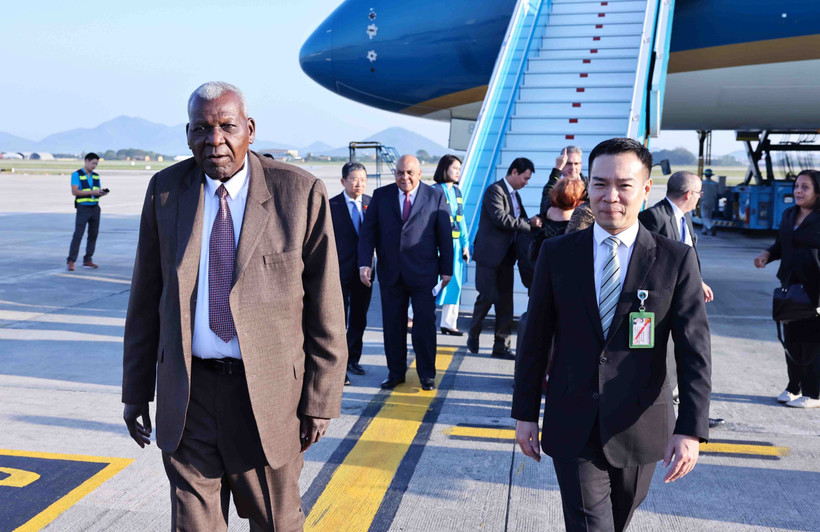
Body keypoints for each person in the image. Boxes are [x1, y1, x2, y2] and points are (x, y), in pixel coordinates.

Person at [122, 82, 347, 531]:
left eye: (227, 127)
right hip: (189, 395)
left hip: (266, 397)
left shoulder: (299, 194)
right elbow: (146, 299)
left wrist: (320, 400)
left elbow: (326, 307)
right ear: (187, 135)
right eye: (202, 129)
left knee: (276, 522)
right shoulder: (166, 192)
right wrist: (135, 390)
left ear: (250, 129)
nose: (215, 140)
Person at [514, 138, 711, 532]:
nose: (610, 196)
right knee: (591, 526)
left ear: (645, 189)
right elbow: (534, 338)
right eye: (600, 184)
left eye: (624, 184)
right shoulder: (558, 254)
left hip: (640, 424)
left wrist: (690, 427)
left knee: (617, 522)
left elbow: (694, 350)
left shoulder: (675, 259)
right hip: (572, 419)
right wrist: (524, 413)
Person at [358, 154, 454, 391]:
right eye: (400, 172)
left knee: (424, 326)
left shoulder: (435, 196)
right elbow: (368, 233)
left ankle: (427, 374)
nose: (405, 177)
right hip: (391, 274)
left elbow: (444, 235)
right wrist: (364, 263)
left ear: (420, 174)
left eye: (410, 172)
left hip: (423, 273)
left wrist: (447, 270)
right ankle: (395, 373)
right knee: (393, 327)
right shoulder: (382, 196)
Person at [639, 171, 723, 428]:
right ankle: (665, 414)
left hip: (684, 298)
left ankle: (690, 414)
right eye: (698, 194)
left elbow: (686, 256)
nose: (699, 199)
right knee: (664, 358)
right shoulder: (654, 216)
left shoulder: (684, 217)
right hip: (662, 301)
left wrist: (698, 281)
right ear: (689, 194)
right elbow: (647, 262)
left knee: (689, 354)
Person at [754, 169, 820, 409]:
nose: (798, 191)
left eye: (805, 187)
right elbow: (781, 244)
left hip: (815, 289)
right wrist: (768, 255)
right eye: (796, 186)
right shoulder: (789, 214)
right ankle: (794, 387)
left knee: (812, 342)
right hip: (790, 287)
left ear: (817, 191)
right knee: (791, 339)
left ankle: (814, 393)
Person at [468, 158, 543, 359]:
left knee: (505, 303)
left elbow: (521, 222)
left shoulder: (515, 195)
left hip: (507, 258)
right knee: (487, 297)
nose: (526, 182)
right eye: (525, 178)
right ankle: (474, 332)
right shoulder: (495, 191)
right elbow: (501, 218)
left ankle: (501, 346)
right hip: (489, 256)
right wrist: (529, 224)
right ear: (515, 172)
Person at [330, 162, 373, 386]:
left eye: (363, 180)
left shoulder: (370, 204)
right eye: (355, 179)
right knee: (339, 321)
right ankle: (339, 367)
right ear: (343, 181)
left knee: (359, 318)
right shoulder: (330, 206)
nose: (359, 184)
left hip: (364, 273)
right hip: (338, 272)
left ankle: (353, 360)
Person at [432, 155, 470, 336]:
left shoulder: (457, 192)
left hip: (455, 245)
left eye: (459, 169)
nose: (458, 172)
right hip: (438, 244)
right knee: (432, 281)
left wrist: (465, 244)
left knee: (454, 282)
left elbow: (461, 221)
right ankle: (412, 316)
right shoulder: (433, 191)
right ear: (444, 168)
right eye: (455, 168)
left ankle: (448, 322)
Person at [66, 152, 108, 271]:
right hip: (83, 208)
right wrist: (92, 192)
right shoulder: (76, 175)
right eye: (93, 163)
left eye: (96, 164)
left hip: (95, 208)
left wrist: (100, 193)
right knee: (78, 234)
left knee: (93, 235)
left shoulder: (96, 176)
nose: (94, 166)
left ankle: (88, 259)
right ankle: (71, 260)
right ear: (86, 161)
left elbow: (96, 191)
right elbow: (75, 191)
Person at [530, 177, 586, 262]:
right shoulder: (577, 216)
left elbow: (547, 189)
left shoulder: (548, 210)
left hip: (546, 259)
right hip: (567, 261)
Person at [539, 146, 585, 216]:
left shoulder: (588, 184)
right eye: (569, 163)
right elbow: (545, 208)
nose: (573, 168)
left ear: (581, 164)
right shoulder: (553, 185)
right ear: (562, 163)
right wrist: (557, 170)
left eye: (576, 163)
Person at [700, 168, 719, 236]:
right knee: (709, 216)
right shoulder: (715, 184)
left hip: (704, 201)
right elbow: (720, 192)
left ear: (705, 175)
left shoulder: (702, 183)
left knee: (704, 216)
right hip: (712, 201)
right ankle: (704, 230)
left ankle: (710, 226)